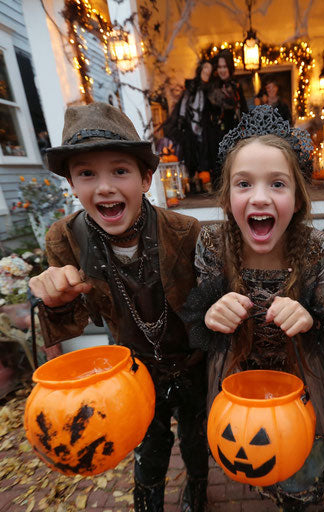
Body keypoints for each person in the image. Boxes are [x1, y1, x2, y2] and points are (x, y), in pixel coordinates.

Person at [28, 102, 209, 512]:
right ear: (72, 184)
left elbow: (209, 301)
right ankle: (148, 503)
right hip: (133, 367)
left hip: (192, 358)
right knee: (148, 443)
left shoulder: (186, 232)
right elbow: (75, 320)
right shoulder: (67, 239)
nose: (104, 187)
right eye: (87, 173)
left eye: (120, 171)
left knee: (196, 437)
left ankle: (198, 488)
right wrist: (55, 301)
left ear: (146, 178)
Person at [180, 105, 324, 511]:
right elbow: (202, 313)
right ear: (227, 195)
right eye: (243, 184)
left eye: (277, 184)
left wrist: (311, 318)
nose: (259, 197)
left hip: (301, 375)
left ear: (297, 196)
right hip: (239, 374)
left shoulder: (314, 246)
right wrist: (210, 314)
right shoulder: (213, 244)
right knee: (255, 454)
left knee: (301, 465)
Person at [163, 60, 214, 190]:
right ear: (201, 70)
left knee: (205, 152)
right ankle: (194, 181)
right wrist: (181, 121)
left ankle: (204, 182)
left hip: (205, 127)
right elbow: (184, 105)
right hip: (191, 125)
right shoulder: (192, 87)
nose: (207, 71)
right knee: (191, 152)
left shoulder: (212, 88)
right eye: (205, 68)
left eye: (210, 69)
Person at [208, 49, 248, 188]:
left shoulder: (236, 86)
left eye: (224, 66)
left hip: (236, 132)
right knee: (220, 169)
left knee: (237, 166)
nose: (222, 70)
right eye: (219, 67)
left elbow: (244, 111)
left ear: (229, 67)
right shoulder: (213, 87)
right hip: (218, 134)